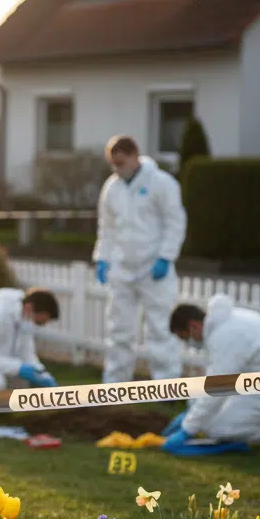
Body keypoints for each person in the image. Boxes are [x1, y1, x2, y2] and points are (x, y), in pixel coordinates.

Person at [161, 294, 260, 455]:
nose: (188, 344)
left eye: (185, 337)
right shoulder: (228, 322)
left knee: (216, 428)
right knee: (210, 416)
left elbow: (217, 389)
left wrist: (188, 428)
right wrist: (191, 411)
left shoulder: (225, 336)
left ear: (194, 326)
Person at [93, 135, 187, 384]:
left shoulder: (162, 183)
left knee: (160, 328)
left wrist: (165, 257)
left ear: (135, 156)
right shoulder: (111, 188)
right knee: (118, 330)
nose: (117, 168)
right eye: (113, 164)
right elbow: (107, 228)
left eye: (121, 162)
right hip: (122, 269)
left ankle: (167, 385)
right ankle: (115, 384)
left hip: (154, 268)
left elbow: (174, 221)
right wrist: (102, 258)